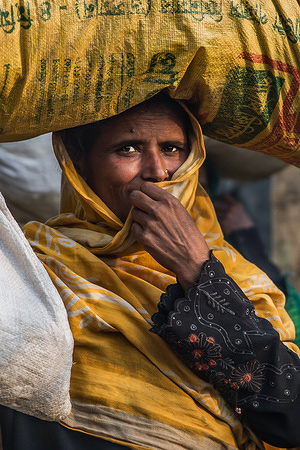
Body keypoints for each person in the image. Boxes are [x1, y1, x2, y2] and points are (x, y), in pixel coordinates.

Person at [1, 92, 300, 450]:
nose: (158, 171)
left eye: (173, 148)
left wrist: (196, 269)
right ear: (78, 163)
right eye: (128, 149)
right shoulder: (33, 265)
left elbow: (291, 417)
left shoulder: (238, 276)